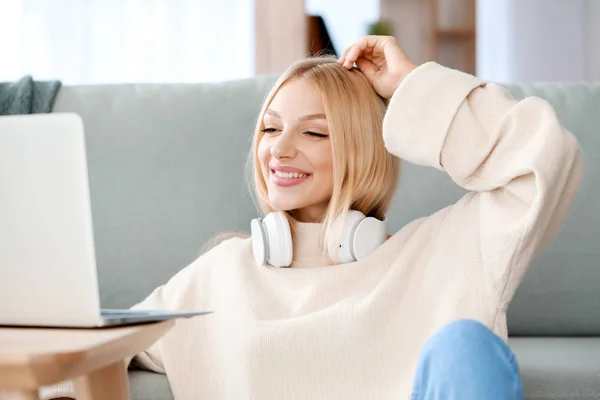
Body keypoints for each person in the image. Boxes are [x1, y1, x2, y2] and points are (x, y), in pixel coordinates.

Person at [43, 35, 582, 400]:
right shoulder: (216, 278)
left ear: (365, 148)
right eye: (270, 129)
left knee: (465, 346)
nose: (280, 149)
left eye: (315, 132)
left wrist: (414, 83)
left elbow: (544, 159)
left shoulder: (447, 253)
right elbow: (75, 354)